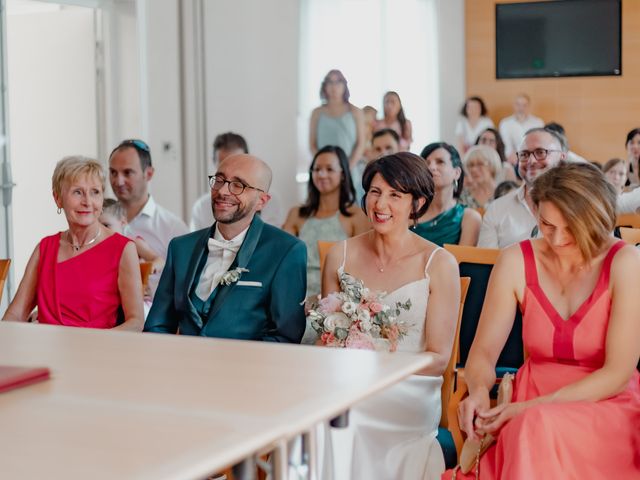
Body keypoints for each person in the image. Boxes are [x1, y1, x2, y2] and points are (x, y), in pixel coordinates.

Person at [446, 163, 640, 479]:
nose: (558, 239)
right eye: (548, 225)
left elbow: (618, 372)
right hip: (529, 398)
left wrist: (529, 409)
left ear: (598, 220)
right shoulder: (515, 260)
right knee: (531, 427)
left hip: (606, 403)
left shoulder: (624, 262)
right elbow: (482, 354)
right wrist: (480, 390)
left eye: (571, 228)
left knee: (535, 424)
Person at [323, 152, 460, 480]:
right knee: (323, 420)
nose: (380, 204)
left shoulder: (438, 264)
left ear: (417, 203)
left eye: (395, 195)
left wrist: (377, 367)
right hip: (348, 385)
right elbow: (325, 336)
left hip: (410, 391)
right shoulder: (338, 256)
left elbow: (439, 358)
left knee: (350, 420)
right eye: (374, 191)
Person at [144, 154, 306, 342]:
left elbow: (285, 337)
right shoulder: (180, 248)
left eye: (238, 185)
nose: (222, 191)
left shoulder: (286, 251)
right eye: (219, 180)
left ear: (262, 200)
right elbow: (157, 326)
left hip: (247, 369)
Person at [2, 156, 144, 330]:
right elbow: (15, 315)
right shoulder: (45, 248)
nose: (87, 202)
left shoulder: (123, 249)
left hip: (96, 351)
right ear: (58, 198)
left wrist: (97, 345)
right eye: (77, 192)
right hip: (46, 350)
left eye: (95, 192)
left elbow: (136, 322)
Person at [283, 145, 369, 299]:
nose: (322, 174)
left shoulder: (356, 215)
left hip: (334, 297)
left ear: (343, 174)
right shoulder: (296, 214)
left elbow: (361, 268)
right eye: (317, 169)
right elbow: (283, 257)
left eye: (329, 169)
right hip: (294, 292)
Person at [478, 127, 567, 248]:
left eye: (540, 152)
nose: (531, 161)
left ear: (562, 158)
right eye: (524, 154)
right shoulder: (497, 209)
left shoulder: (577, 207)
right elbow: (485, 263)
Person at [109, 139, 188, 260]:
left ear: (149, 174)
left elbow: (185, 278)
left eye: (127, 172)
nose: (118, 182)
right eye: (113, 172)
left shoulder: (173, 229)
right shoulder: (98, 222)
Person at [190, 132, 284, 230]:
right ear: (214, 162)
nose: (223, 191)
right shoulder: (201, 207)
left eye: (238, 162)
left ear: (262, 201)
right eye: (224, 164)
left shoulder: (270, 200)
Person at [413, 142, 481, 246]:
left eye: (440, 162)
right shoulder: (411, 213)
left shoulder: (469, 217)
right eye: (427, 163)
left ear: (457, 172)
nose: (431, 168)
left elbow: (462, 261)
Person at [309, 69, 365, 169]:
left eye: (338, 82)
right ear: (324, 86)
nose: (334, 87)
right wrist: (324, 166)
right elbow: (312, 145)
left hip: (350, 169)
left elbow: (360, 144)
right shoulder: (316, 113)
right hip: (324, 169)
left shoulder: (355, 111)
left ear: (344, 86)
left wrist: (346, 168)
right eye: (330, 82)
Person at [498, 93, 544, 162]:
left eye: (524, 105)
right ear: (514, 106)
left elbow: (540, 143)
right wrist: (513, 156)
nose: (521, 108)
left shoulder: (538, 123)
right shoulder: (505, 123)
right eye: (518, 104)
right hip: (511, 159)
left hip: (533, 158)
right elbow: (506, 145)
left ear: (529, 106)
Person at [459, 145, 502, 209]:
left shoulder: (503, 194)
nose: (474, 169)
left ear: (492, 165)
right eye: (471, 165)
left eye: (480, 164)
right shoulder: (462, 196)